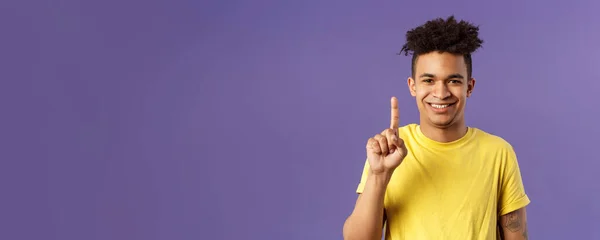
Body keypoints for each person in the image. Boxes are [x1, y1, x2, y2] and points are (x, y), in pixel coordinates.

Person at [342, 16, 530, 240]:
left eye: (453, 81)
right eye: (429, 81)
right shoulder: (388, 150)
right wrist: (379, 175)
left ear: (469, 87)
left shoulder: (499, 152)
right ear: (413, 86)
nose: (441, 93)